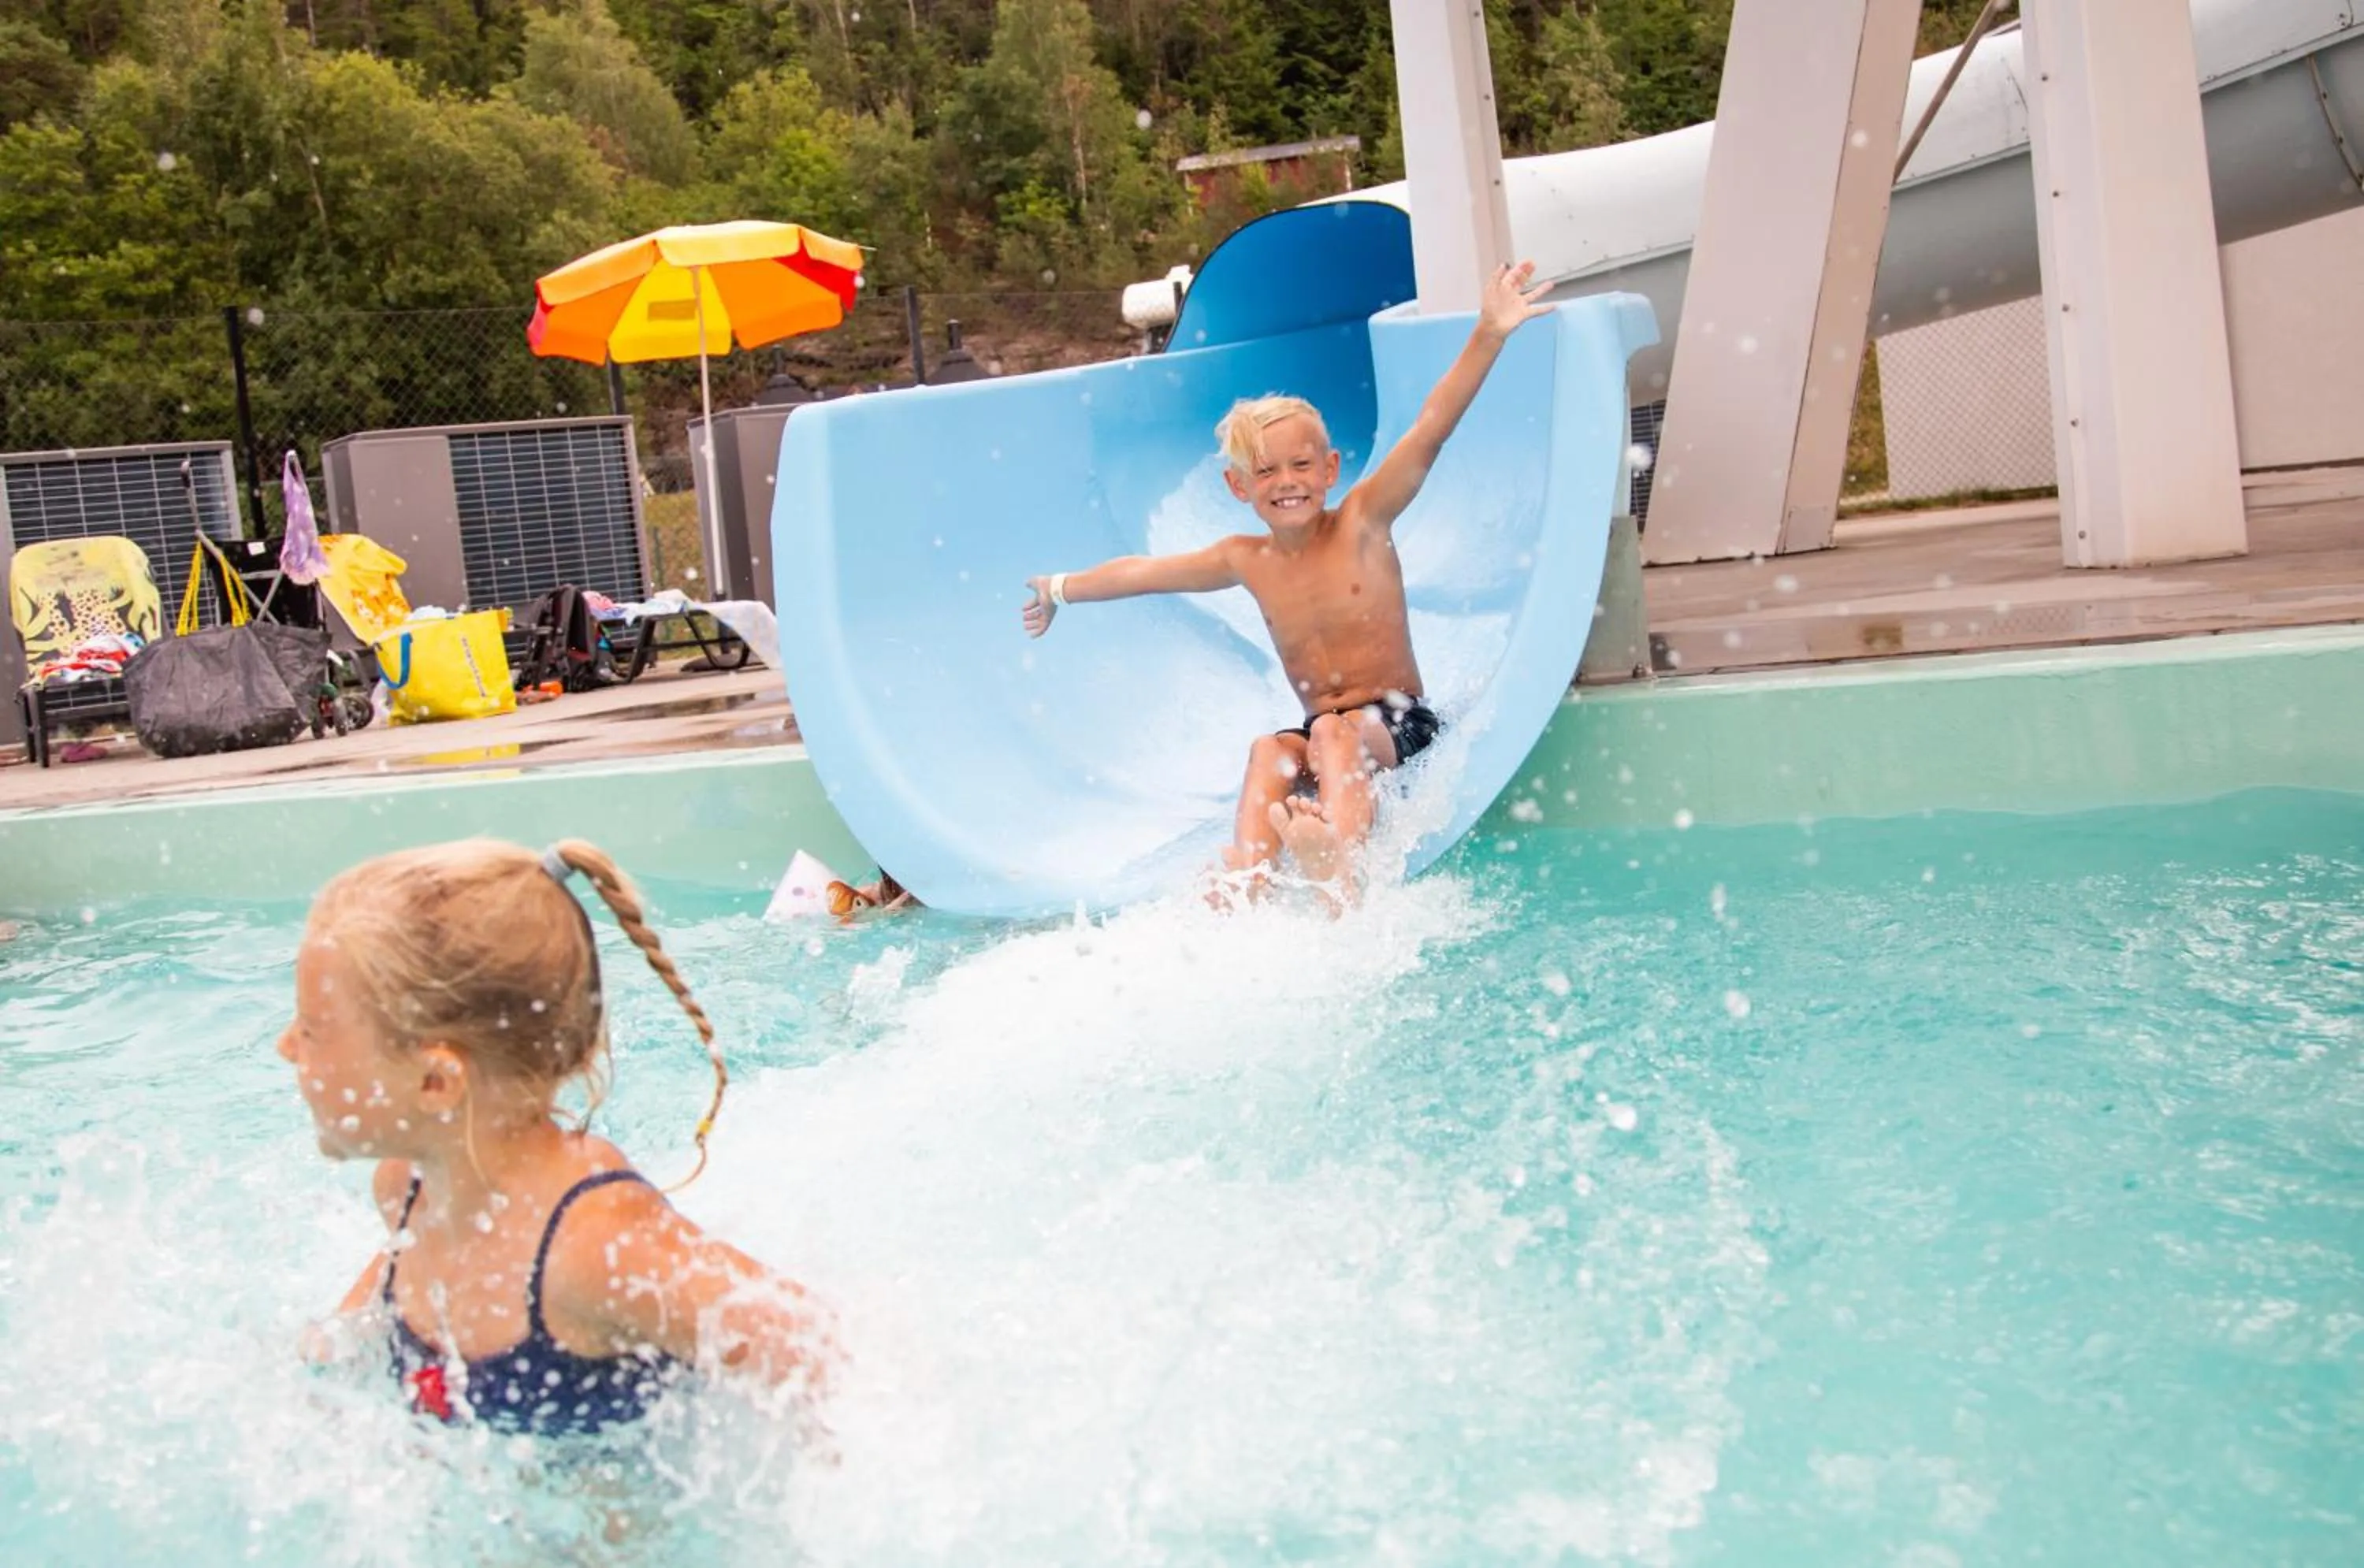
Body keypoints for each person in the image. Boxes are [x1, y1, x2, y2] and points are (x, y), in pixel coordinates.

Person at [1020, 261, 1554, 895]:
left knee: (1332, 731)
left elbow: (1431, 428)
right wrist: (1059, 588)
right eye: (1266, 472)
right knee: (1270, 750)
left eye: (1301, 464)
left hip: (1401, 722)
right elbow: (1145, 572)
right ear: (1238, 487)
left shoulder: (1363, 521)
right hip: (1328, 737)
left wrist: (1489, 333)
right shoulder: (1247, 559)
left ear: (1330, 469)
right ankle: (1249, 876)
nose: (1287, 482)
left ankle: (1344, 864)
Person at [282, 838, 834, 1436]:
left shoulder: (595, 1245)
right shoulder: (408, 1189)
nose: (286, 1046)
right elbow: (334, 1355)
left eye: (311, 1029)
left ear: (437, 1081)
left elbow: (819, 1353)